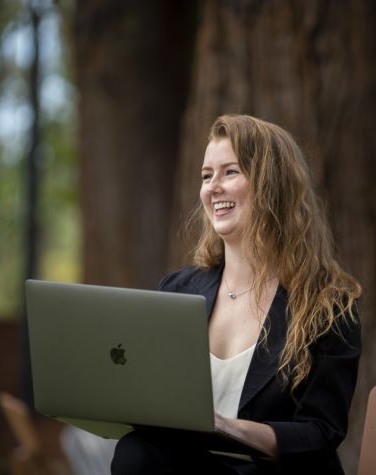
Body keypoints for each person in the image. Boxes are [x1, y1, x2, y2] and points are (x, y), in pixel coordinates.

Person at [111, 114, 361, 474]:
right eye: (206, 175)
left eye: (230, 172)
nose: (213, 187)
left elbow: (321, 433)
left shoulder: (327, 304)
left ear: (271, 184)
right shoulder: (178, 291)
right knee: (136, 450)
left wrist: (228, 428)